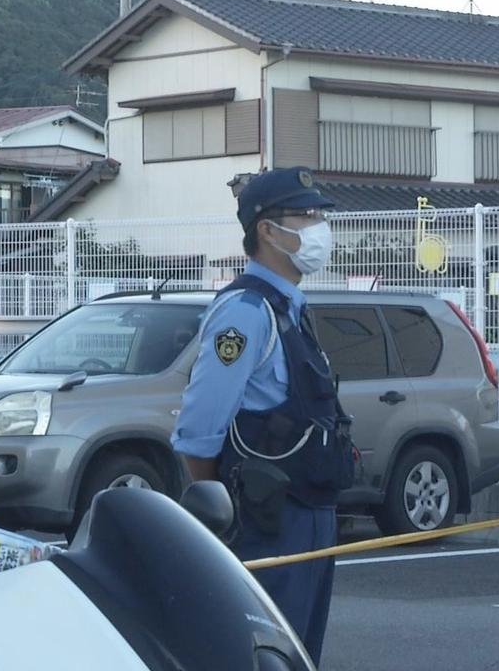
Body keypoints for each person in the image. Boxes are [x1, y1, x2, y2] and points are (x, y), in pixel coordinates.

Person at [172, 166, 354, 666]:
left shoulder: (289, 308)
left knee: (299, 655)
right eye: (307, 215)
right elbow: (197, 431)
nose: (320, 228)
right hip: (268, 518)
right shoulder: (246, 312)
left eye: (319, 215)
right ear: (268, 230)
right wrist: (221, 509)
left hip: (309, 512)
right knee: (265, 654)